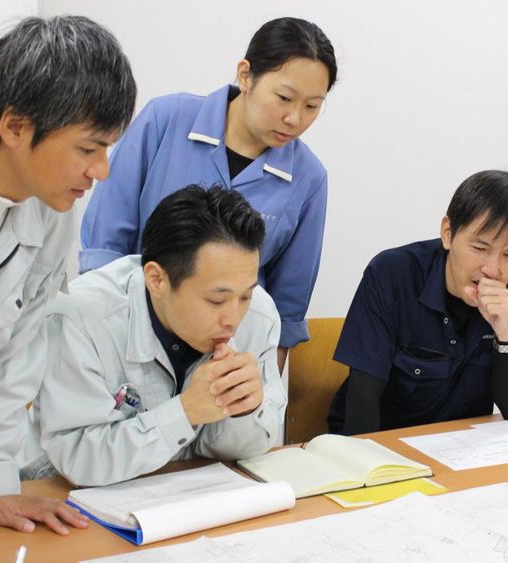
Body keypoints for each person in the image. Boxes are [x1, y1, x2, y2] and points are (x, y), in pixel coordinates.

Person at [0, 16, 136, 563]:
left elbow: (9, 363)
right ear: (15, 126)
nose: (101, 171)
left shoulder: (50, 210)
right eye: (88, 148)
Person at [79, 17, 338, 370]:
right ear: (245, 75)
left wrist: (264, 390)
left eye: (312, 106)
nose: (294, 118)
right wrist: (102, 341)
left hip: (226, 351)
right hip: (131, 336)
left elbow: (286, 309)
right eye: (284, 98)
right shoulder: (165, 120)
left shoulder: (309, 178)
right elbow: (104, 244)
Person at [26, 185, 285, 487]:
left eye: (245, 296)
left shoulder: (260, 315)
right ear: (157, 279)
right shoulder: (81, 319)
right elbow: (79, 458)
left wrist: (245, 410)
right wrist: (186, 412)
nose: (234, 319)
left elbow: (250, 449)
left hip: (187, 495)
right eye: (216, 300)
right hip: (60, 494)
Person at [328, 170, 508, 435]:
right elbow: (363, 399)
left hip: (461, 444)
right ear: (447, 232)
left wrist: (506, 333)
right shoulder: (391, 274)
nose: (492, 269)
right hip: (384, 439)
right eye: (480, 248)